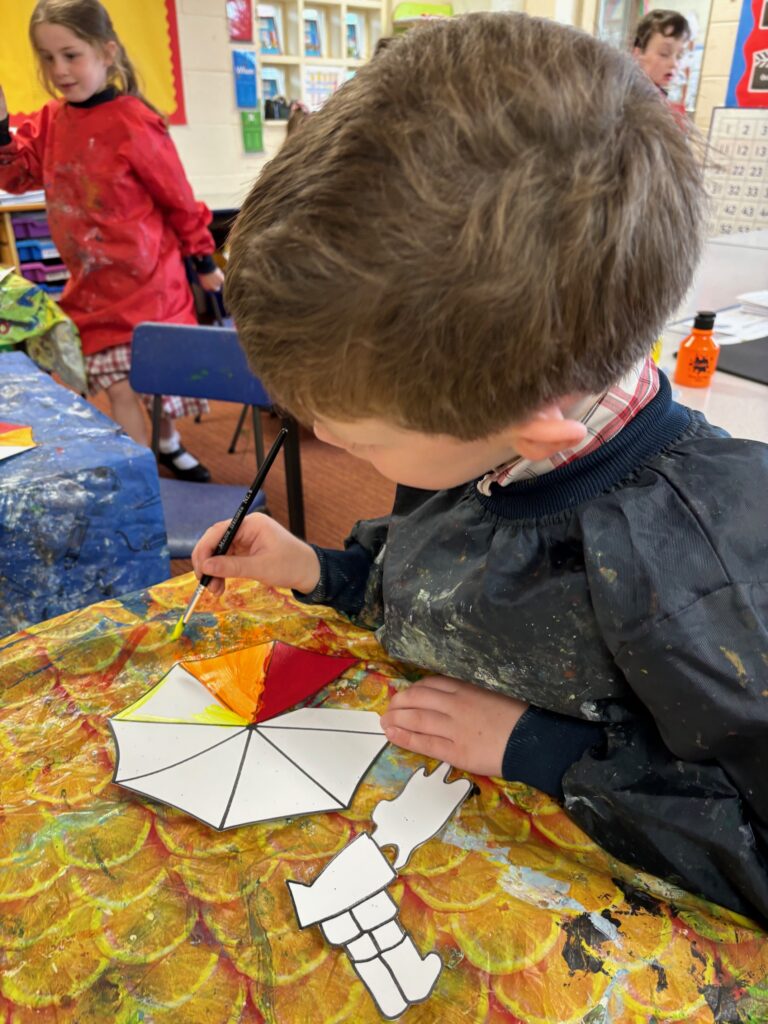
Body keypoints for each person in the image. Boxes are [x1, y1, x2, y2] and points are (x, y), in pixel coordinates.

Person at [192, 14, 768, 923]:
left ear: (531, 428)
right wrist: (319, 570)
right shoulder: (483, 441)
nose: (334, 449)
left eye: (363, 440)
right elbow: (433, 579)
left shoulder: (706, 570)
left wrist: (550, 752)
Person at [0, 0, 223, 481]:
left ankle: (167, 443)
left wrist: (203, 259)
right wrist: (0, 131)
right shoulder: (49, 122)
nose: (58, 70)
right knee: (120, 390)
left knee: (152, 389)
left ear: (107, 52)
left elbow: (178, 198)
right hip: (94, 293)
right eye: (47, 57)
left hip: (151, 287)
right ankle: (143, 486)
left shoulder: (133, 121)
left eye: (71, 55)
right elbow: (15, 176)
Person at [632, 9, 690, 110]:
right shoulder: (623, 101)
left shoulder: (662, 100)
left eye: (679, 56)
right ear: (638, 53)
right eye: (664, 53)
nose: (674, 64)